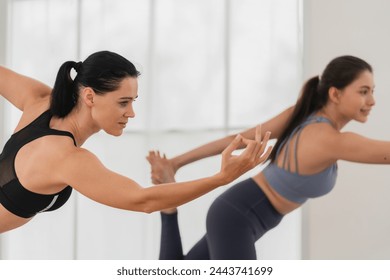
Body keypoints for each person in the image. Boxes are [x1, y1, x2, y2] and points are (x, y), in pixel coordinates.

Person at [0, 50, 273, 234]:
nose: (131, 113)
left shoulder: (39, 101)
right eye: (123, 102)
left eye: (132, 101)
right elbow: (143, 200)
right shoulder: (65, 158)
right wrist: (221, 178)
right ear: (90, 96)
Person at [147, 55, 382, 260]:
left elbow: (234, 141)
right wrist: (174, 163)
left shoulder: (302, 115)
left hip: (237, 213)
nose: (371, 101)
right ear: (335, 94)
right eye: (363, 91)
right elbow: (238, 141)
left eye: (372, 91)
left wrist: (175, 163)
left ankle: (168, 208)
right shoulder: (332, 140)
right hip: (237, 217)